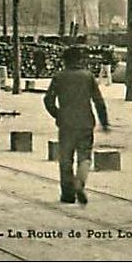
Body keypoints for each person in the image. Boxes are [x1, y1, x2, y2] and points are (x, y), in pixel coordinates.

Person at [43, 45, 109, 205]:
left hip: (66, 124)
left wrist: (58, 114)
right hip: (86, 123)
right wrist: (104, 121)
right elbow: (98, 101)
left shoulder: (59, 77)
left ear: (65, 61)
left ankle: (67, 194)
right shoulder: (88, 77)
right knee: (85, 156)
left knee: (65, 159)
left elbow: (48, 100)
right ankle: (80, 182)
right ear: (80, 60)